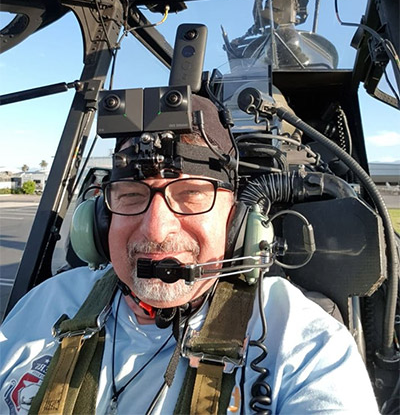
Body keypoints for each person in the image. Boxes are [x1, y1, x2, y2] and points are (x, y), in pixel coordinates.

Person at [0, 95, 380, 415]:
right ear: (101, 221)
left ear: (237, 222)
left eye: (192, 195)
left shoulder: (301, 342)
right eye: (131, 195)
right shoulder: (49, 304)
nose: (155, 229)